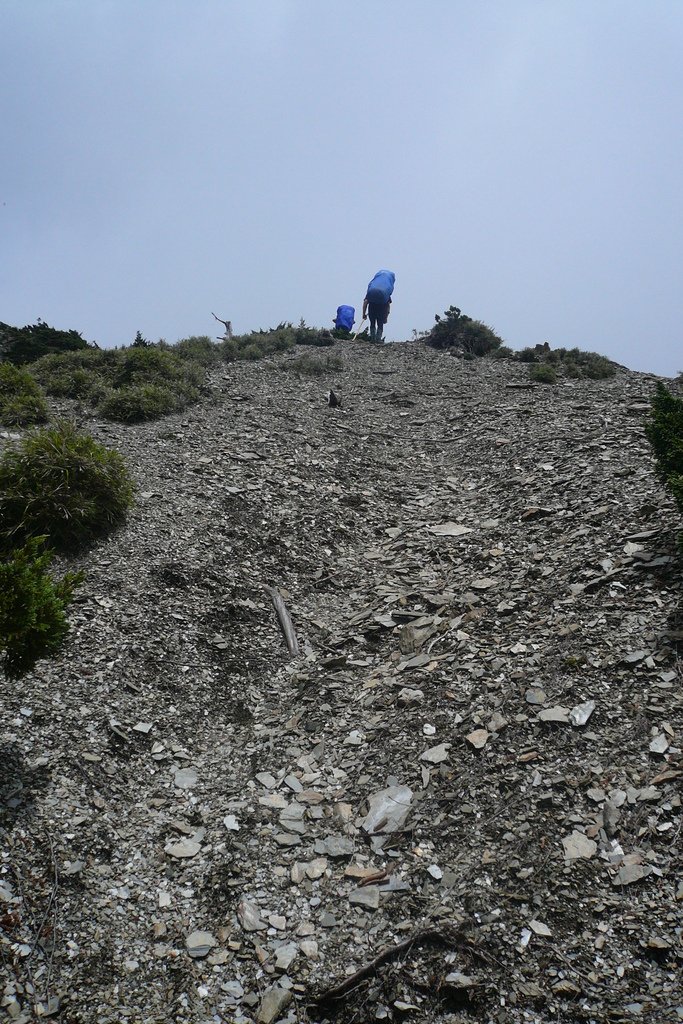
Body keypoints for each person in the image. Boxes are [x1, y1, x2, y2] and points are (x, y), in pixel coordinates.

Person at [362, 269, 395, 342]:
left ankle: (372, 339)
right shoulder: (386, 294)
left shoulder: (371, 292)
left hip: (372, 309)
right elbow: (388, 307)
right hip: (382, 310)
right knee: (380, 324)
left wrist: (363, 314)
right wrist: (386, 317)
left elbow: (365, 303)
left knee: (372, 323)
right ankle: (378, 339)